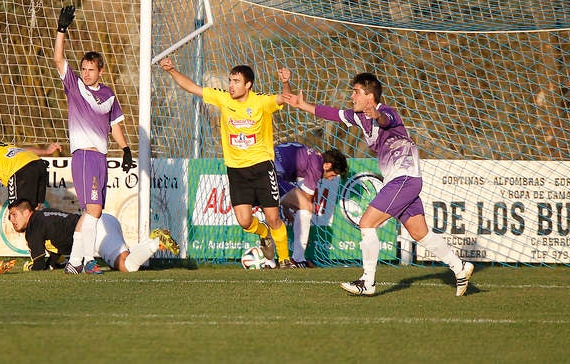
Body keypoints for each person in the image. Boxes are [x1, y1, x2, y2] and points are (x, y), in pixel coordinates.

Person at [283, 72, 474, 296]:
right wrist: (303, 105)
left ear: (370, 96)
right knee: (419, 232)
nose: (352, 96)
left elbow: (386, 119)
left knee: (366, 223)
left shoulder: (387, 112)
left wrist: (377, 114)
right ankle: (460, 267)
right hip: (401, 180)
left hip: (404, 178)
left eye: (356, 92)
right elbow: (333, 114)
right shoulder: (359, 117)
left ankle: (368, 282)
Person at [159, 57, 296, 268]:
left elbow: (284, 98)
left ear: (248, 85)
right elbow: (193, 88)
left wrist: (286, 81)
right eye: (230, 80)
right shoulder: (223, 98)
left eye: (236, 81)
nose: (231, 86)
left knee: (273, 217)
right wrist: (172, 70)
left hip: (261, 167)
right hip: (236, 170)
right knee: (244, 221)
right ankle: (263, 233)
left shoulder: (261, 101)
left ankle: (286, 259)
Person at [52, 5, 134, 275]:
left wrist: (125, 150)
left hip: (100, 157)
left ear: (100, 71)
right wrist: (61, 30)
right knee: (95, 209)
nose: (86, 73)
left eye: (90, 69)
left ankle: (76, 262)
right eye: (84, 68)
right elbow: (58, 59)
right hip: (84, 156)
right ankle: (84, 261)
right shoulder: (75, 87)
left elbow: (115, 125)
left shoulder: (108, 95)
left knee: (91, 212)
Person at [7, 199, 179, 272]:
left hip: (97, 230)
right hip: (104, 222)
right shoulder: (45, 215)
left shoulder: (34, 226)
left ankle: (155, 242)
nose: (11, 220)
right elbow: (57, 247)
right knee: (120, 263)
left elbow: (38, 264)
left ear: (27, 212)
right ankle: (155, 239)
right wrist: (53, 262)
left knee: (128, 267)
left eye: (14, 214)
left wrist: (29, 267)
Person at [275, 142, 349, 268]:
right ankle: (298, 259)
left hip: (266, 165)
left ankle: (269, 261)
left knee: (272, 215)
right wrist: (304, 234)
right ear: (327, 165)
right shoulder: (316, 167)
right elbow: (306, 201)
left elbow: (290, 196)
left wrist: (287, 209)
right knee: (307, 207)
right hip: (273, 171)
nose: (331, 179)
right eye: (333, 175)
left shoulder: (312, 155)